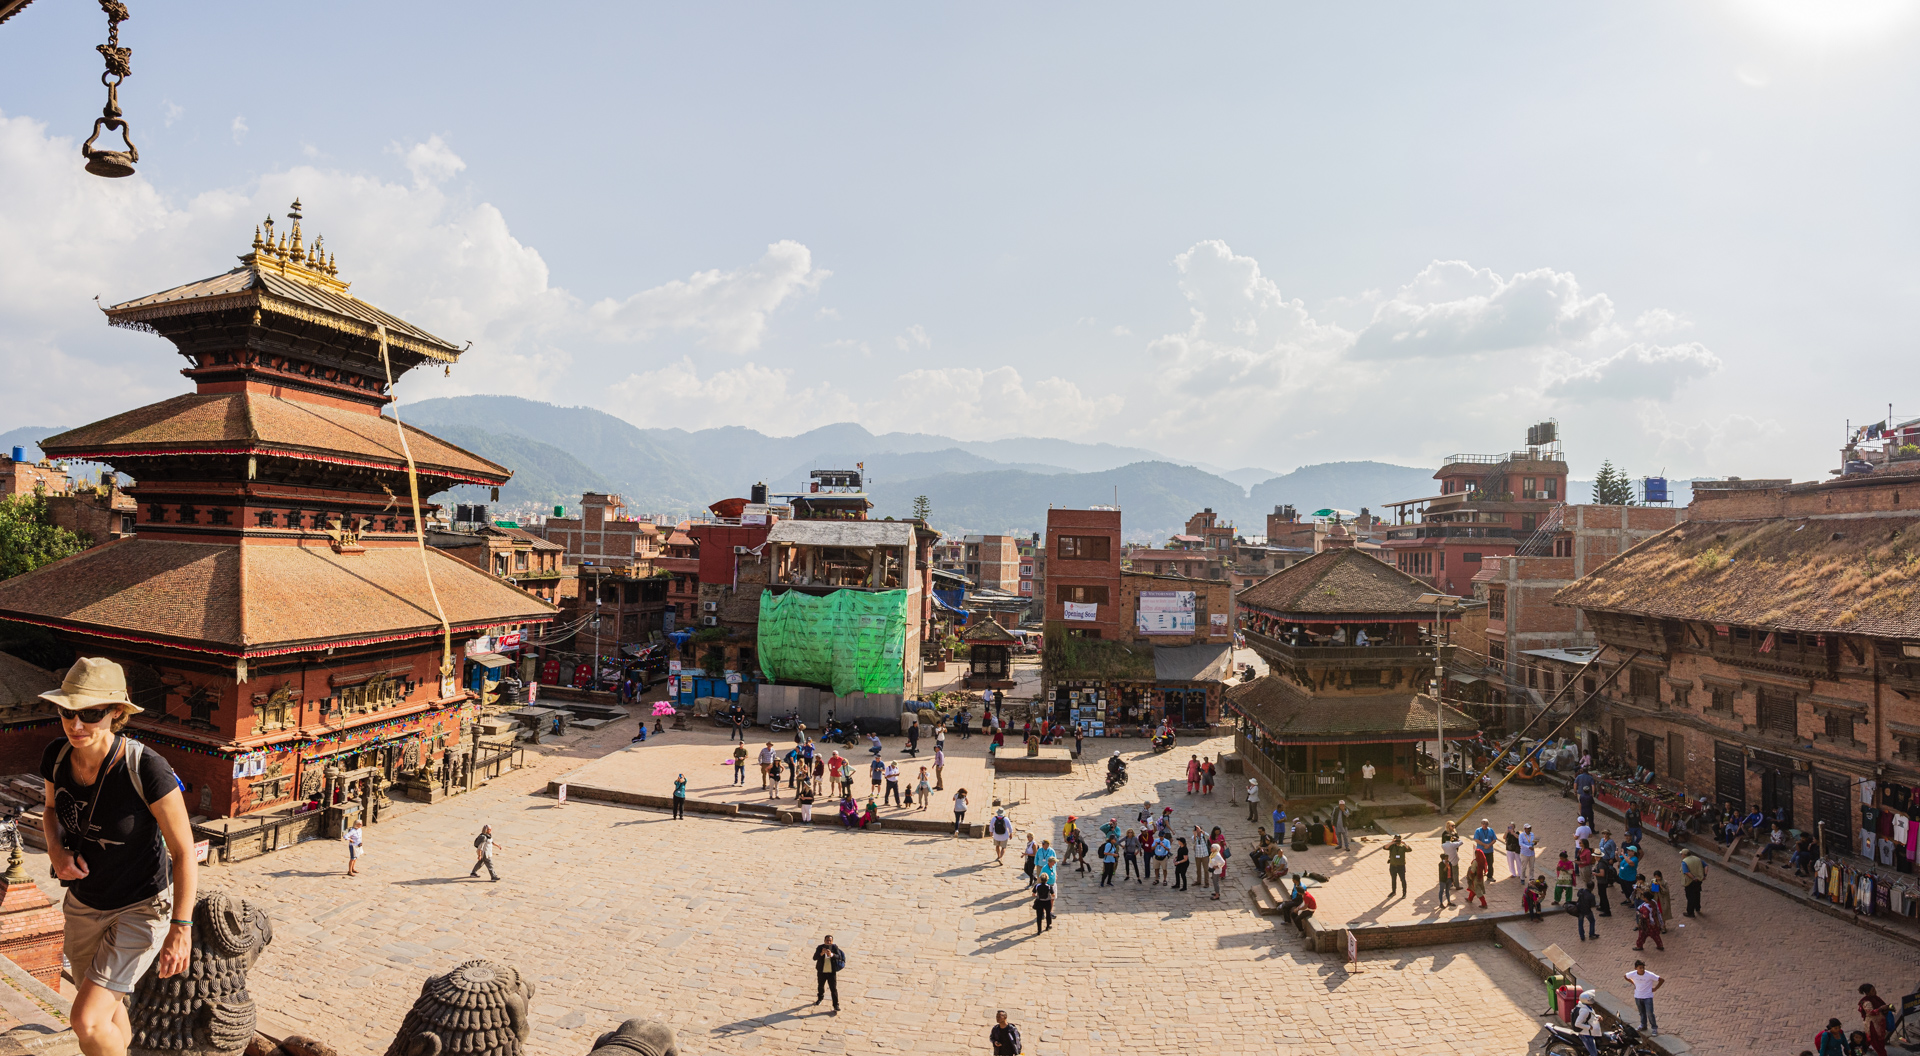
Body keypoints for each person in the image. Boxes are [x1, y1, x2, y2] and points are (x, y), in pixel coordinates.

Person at [1623, 961, 1662, 1037]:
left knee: (1650, 1013)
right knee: (1641, 1012)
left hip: (1648, 997)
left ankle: (1654, 1028)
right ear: (1636, 968)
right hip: (1638, 996)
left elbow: (1661, 980)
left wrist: (1655, 988)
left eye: (1643, 967)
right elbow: (1625, 976)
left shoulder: (1649, 975)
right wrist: (1633, 982)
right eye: (1640, 968)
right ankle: (1643, 1025)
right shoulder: (1633, 974)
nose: (1642, 969)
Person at [812, 934, 843, 1012]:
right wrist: (821, 953)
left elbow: (839, 956)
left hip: (831, 972)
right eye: (827, 940)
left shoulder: (834, 947)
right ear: (824, 941)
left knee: (833, 988)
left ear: (832, 941)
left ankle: (836, 1005)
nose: (828, 942)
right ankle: (820, 998)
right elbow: (814, 958)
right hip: (821, 971)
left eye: (830, 941)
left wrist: (832, 954)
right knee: (821, 986)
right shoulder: (820, 947)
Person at [1861, 983, 1891, 1056]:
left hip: (1879, 1023)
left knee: (1870, 1040)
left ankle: (1864, 1048)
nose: (1875, 991)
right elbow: (1870, 1012)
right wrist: (1881, 1008)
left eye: (1874, 989)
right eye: (1873, 990)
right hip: (1873, 1025)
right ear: (1868, 993)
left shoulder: (1874, 998)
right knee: (1878, 1043)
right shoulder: (1866, 1002)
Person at [1572, 991, 1604, 1056]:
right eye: (1591, 999)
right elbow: (1577, 1024)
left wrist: (1598, 1016)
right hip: (1586, 1035)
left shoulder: (1586, 1006)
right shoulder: (1584, 1010)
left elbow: (1590, 1016)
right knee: (1594, 1054)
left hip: (1591, 1033)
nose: (1592, 1000)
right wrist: (1589, 1027)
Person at [1679, 848, 1706, 917]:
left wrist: (1693, 878)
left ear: (1684, 855)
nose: (1681, 855)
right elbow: (1706, 866)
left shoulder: (1684, 862)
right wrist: (1704, 875)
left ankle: (1690, 912)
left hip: (1690, 881)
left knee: (1690, 896)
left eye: (1681, 854)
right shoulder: (1697, 858)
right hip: (1699, 880)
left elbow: (1686, 872)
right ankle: (1697, 907)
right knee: (1697, 893)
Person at [1385, 834, 1408, 898]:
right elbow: (1385, 847)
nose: (1397, 840)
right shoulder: (1392, 846)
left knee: (1403, 879)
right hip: (1393, 865)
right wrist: (1392, 842)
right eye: (1396, 839)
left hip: (1401, 866)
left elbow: (1409, 849)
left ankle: (1404, 893)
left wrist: (1404, 843)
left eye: (1398, 839)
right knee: (1393, 879)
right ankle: (1393, 891)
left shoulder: (1402, 846)